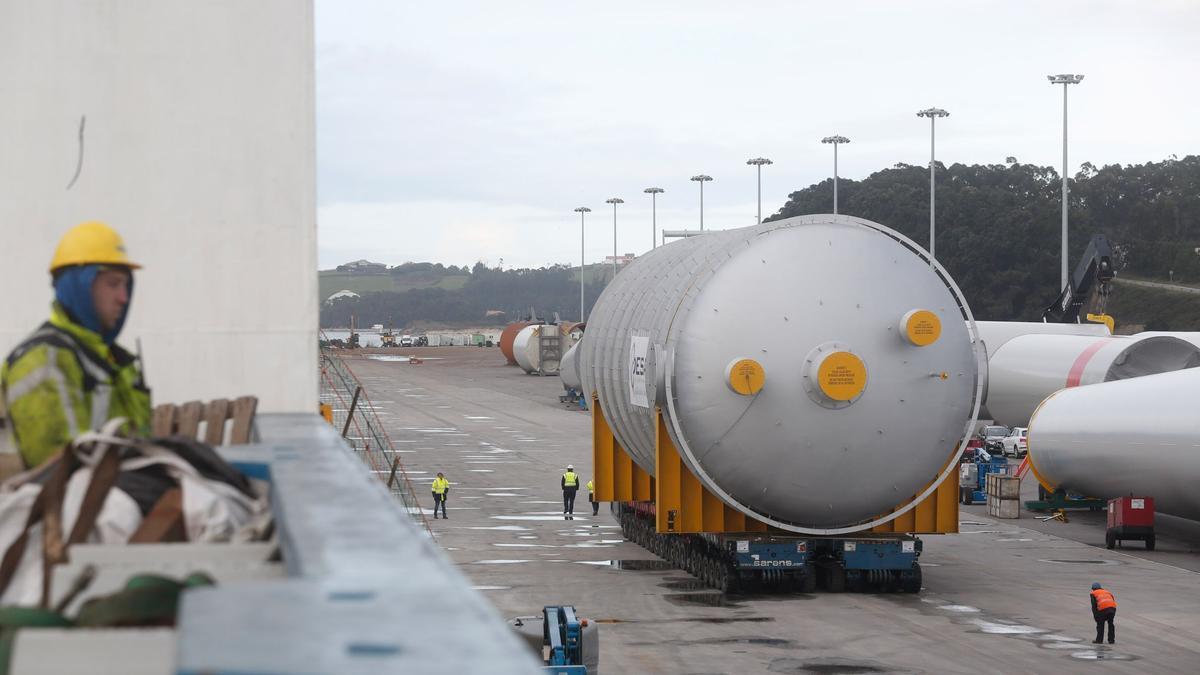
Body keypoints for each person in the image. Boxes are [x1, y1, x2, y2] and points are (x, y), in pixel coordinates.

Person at [1, 222, 151, 469]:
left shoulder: (115, 360)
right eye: (113, 284)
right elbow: (57, 475)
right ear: (78, 286)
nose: (124, 298)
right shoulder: (41, 360)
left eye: (126, 285)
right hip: (73, 503)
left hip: (124, 495)